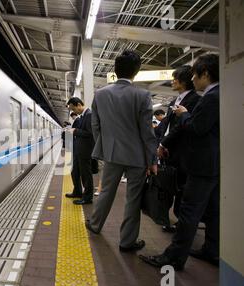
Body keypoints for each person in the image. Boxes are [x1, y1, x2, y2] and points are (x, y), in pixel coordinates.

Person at [140, 53, 220, 270]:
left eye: (195, 75)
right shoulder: (218, 95)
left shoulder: (211, 97)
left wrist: (184, 115)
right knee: (212, 211)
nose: (193, 79)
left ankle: (174, 257)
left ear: (205, 74)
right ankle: (212, 250)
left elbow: (196, 128)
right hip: (213, 164)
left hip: (201, 165)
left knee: (188, 212)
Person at [86, 50, 158, 252]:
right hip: (137, 156)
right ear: (136, 72)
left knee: (105, 191)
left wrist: (105, 146)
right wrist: (152, 159)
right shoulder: (142, 95)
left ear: (115, 71)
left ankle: (95, 225)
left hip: (111, 153)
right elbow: (147, 131)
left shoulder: (100, 94)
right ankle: (127, 242)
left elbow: (95, 126)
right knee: (132, 199)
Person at [157, 65, 201, 233]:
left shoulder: (195, 100)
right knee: (169, 185)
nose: (172, 81)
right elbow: (166, 125)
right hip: (169, 152)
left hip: (182, 152)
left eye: (175, 78)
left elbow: (181, 128)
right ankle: (169, 218)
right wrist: (161, 143)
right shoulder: (173, 101)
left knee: (181, 187)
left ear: (184, 81)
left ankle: (181, 223)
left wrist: (163, 143)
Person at [65, 97, 95, 205]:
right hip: (79, 149)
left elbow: (90, 133)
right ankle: (77, 192)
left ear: (78, 105)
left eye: (74, 109)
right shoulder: (83, 116)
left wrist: (75, 130)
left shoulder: (89, 115)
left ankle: (87, 197)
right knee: (76, 171)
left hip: (86, 150)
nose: (74, 112)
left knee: (86, 174)